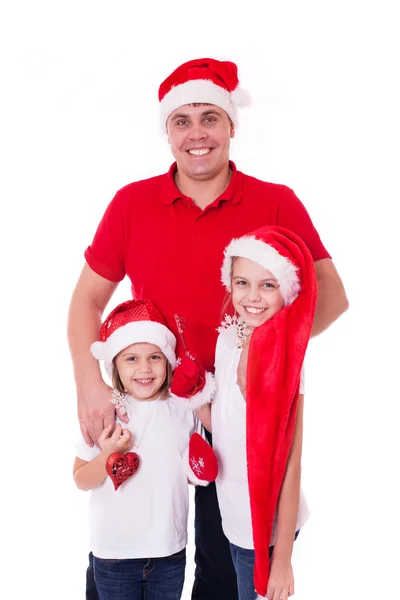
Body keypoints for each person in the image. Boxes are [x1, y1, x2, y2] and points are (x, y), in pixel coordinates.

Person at [67, 57, 349, 600]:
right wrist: (89, 379)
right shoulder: (132, 203)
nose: (197, 134)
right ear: (167, 132)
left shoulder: (275, 201)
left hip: (233, 416)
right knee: (129, 544)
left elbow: (330, 296)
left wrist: (262, 357)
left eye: (210, 118)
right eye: (182, 120)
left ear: (232, 127)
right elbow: (86, 300)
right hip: (152, 406)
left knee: (225, 561)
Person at [197, 225, 317, 600]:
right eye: (242, 283)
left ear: (289, 290)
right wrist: (191, 395)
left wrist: (281, 561)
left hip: (265, 529)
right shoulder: (229, 337)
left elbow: (291, 463)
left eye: (268, 285)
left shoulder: (283, 361)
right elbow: (228, 426)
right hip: (234, 518)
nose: (253, 297)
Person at [73, 298, 217, 600]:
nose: (145, 368)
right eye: (131, 359)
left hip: (168, 551)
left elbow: (189, 468)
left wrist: (198, 468)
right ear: (114, 364)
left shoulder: (182, 409)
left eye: (154, 357)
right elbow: (80, 479)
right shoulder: (107, 412)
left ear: (168, 361)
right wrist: (107, 454)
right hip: (114, 554)